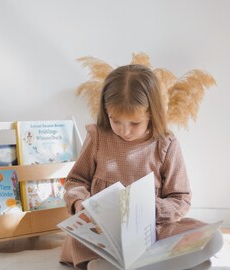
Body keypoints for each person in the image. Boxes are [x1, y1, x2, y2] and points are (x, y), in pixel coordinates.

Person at [59, 64, 208, 269]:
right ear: (106, 111)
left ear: (151, 114)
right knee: (79, 242)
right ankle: (111, 263)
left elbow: (180, 198)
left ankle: (143, 261)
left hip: (151, 231)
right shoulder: (98, 137)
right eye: (116, 121)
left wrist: (151, 210)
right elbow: (76, 180)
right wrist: (79, 203)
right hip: (102, 233)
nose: (125, 131)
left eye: (135, 123)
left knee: (207, 235)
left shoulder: (166, 145)